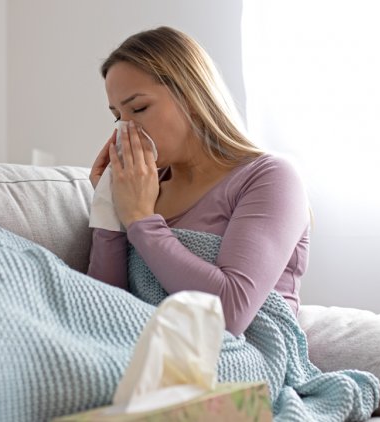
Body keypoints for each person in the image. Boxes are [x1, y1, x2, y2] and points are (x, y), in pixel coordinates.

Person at [87, 26, 310, 336]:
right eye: (117, 117)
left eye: (138, 108)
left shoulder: (270, 177)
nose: (127, 130)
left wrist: (140, 220)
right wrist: (108, 204)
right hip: (140, 349)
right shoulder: (141, 188)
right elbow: (99, 317)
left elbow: (229, 315)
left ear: (190, 97)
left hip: (235, 359)